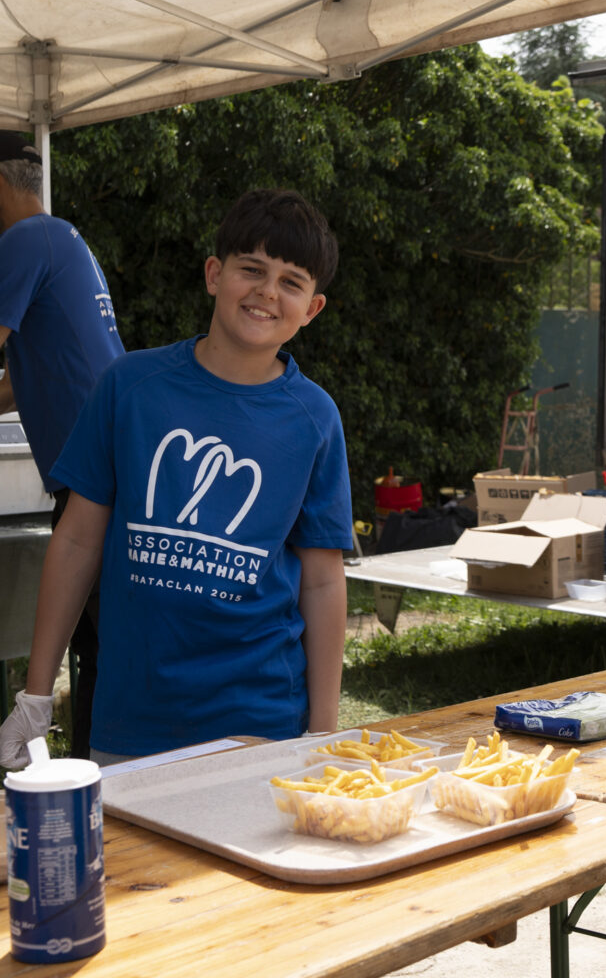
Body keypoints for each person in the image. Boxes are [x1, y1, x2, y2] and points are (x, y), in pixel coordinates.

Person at [0, 188, 353, 767]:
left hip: (260, 726)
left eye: (291, 282)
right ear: (214, 274)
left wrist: (323, 731)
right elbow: (78, 540)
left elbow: (321, 580)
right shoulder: (128, 386)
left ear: (312, 308)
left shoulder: (315, 418)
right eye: (251, 269)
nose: (268, 291)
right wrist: (36, 695)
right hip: (129, 724)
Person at [0, 131, 124, 758]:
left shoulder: (22, 239)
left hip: (95, 477)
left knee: (106, 642)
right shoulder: (60, 237)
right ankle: (95, 778)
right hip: (110, 463)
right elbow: (29, 377)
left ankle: (110, 782)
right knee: (99, 643)